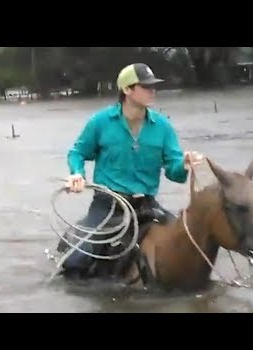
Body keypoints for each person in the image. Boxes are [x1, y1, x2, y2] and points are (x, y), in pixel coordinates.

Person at [58, 63, 203, 278]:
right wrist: (77, 173)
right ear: (127, 90)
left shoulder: (163, 126)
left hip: (147, 206)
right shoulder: (101, 122)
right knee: (77, 258)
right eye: (145, 86)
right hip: (108, 205)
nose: (152, 91)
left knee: (190, 244)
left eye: (153, 86)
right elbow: (77, 152)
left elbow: (174, 172)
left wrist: (183, 164)